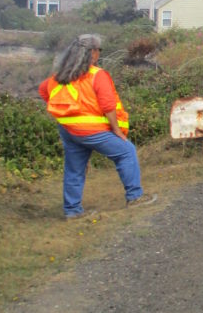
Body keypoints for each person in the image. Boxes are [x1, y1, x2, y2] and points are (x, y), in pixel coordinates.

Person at [38, 34, 157, 219]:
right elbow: (108, 105)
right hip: (92, 131)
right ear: (92, 53)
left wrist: (62, 116)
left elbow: (43, 90)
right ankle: (135, 197)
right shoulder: (97, 75)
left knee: (74, 169)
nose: (99, 54)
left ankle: (73, 211)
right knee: (126, 151)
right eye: (98, 50)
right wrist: (117, 131)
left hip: (69, 131)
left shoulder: (59, 77)